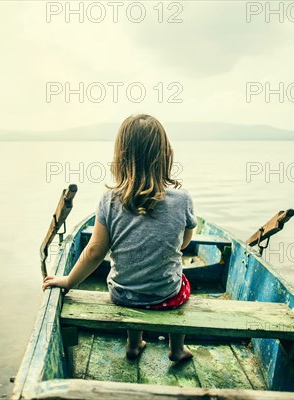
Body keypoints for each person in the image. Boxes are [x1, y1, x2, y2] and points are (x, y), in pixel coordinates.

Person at [42, 114, 197, 363]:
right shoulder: (182, 199)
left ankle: (134, 344)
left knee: (131, 279)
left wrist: (69, 281)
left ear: (122, 157)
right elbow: (184, 244)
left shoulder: (109, 200)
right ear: (166, 155)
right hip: (166, 294)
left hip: (123, 295)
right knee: (182, 281)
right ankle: (177, 349)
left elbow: (94, 252)